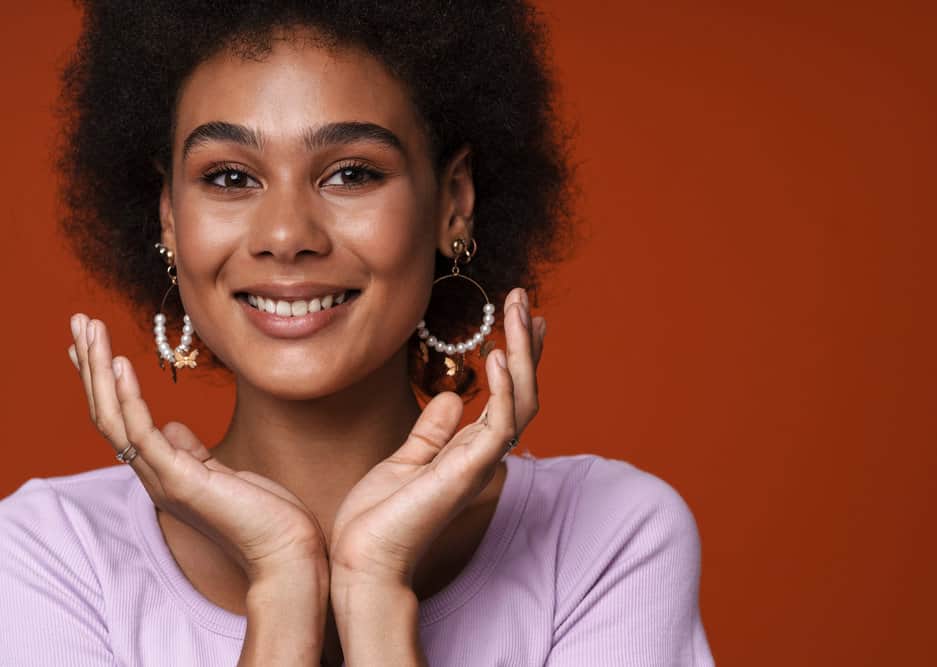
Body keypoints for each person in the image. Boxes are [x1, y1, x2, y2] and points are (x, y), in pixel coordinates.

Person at [0, 1, 714, 665]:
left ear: (453, 203)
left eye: (349, 173)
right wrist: (282, 586)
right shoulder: (50, 554)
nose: (286, 236)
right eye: (227, 177)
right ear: (167, 216)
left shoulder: (603, 539)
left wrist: (376, 590)